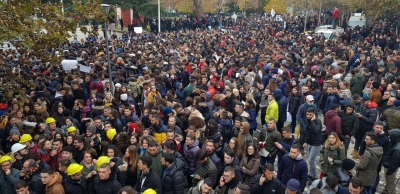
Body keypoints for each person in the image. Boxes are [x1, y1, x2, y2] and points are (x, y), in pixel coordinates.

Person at [304, 108, 322, 182]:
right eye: (307, 114)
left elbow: (316, 130)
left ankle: (314, 176)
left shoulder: (318, 121)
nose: (308, 116)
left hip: (316, 144)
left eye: (310, 114)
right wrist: (305, 141)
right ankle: (311, 174)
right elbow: (307, 132)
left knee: (311, 160)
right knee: (311, 160)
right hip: (310, 143)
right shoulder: (307, 120)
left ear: (314, 114)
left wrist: (312, 121)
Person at [382, 129, 400, 194]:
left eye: (390, 136)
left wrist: (389, 171)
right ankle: (385, 191)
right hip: (389, 167)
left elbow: (395, 162)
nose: (388, 137)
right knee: (388, 182)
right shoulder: (395, 144)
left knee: (390, 185)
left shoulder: (396, 149)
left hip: (390, 169)